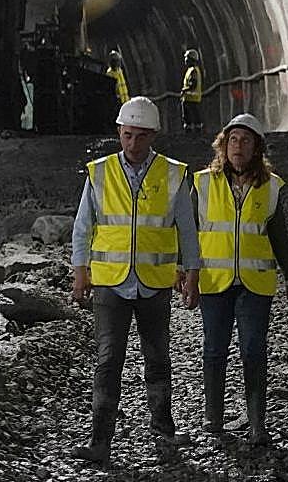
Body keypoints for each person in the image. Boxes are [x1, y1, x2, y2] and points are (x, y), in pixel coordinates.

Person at [70, 95, 200, 465]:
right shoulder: (99, 172)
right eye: (127, 135)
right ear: (119, 132)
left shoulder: (173, 174)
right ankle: (99, 441)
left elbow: (187, 230)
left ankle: (164, 432)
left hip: (154, 283)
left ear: (153, 135)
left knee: (157, 358)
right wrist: (81, 272)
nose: (133, 144)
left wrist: (192, 273)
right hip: (111, 282)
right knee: (108, 361)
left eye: (141, 136)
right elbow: (83, 228)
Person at [193, 113, 288, 446]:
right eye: (233, 140)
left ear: (257, 149)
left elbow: (278, 235)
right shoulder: (203, 183)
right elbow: (188, 232)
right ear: (223, 146)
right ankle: (213, 421)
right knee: (214, 349)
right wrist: (183, 272)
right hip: (215, 279)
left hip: (255, 282)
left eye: (246, 141)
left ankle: (256, 422)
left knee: (254, 350)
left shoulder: (270, 187)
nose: (238, 146)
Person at [181, 48, 203, 132]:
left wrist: (184, 90)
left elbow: (193, 85)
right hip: (190, 98)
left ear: (191, 59)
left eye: (187, 58)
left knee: (190, 117)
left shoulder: (193, 70)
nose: (185, 60)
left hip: (191, 99)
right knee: (191, 117)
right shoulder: (190, 70)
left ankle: (193, 134)